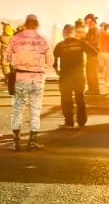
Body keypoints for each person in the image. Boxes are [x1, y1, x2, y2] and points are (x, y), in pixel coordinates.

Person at [6, 14, 51, 151]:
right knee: (35, 109)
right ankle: (32, 141)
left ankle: (16, 141)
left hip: (20, 77)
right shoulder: (43, 40)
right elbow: (50, 61)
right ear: (37, 25)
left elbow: (8, 58)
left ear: (25, 24)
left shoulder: (15, 39)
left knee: (18, 108)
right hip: (37, 78)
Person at [52, 24, 94, 129]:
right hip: (79, 75)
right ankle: (82, 121)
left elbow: (53, 61)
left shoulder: (60, 45)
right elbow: (94, 53)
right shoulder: (80, 43)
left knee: (66, 99)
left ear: (64, 33)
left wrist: (57, 70)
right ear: (73, 32)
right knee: (80, 98)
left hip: (65, 76)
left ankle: (69, 122)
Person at [97, 21, 109, 89]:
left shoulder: (101, 33)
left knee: (105, 67)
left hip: (103, 52)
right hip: (107, 53)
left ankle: (105, 80)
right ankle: (107, 81)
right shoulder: (108, 34)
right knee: (108, 67)